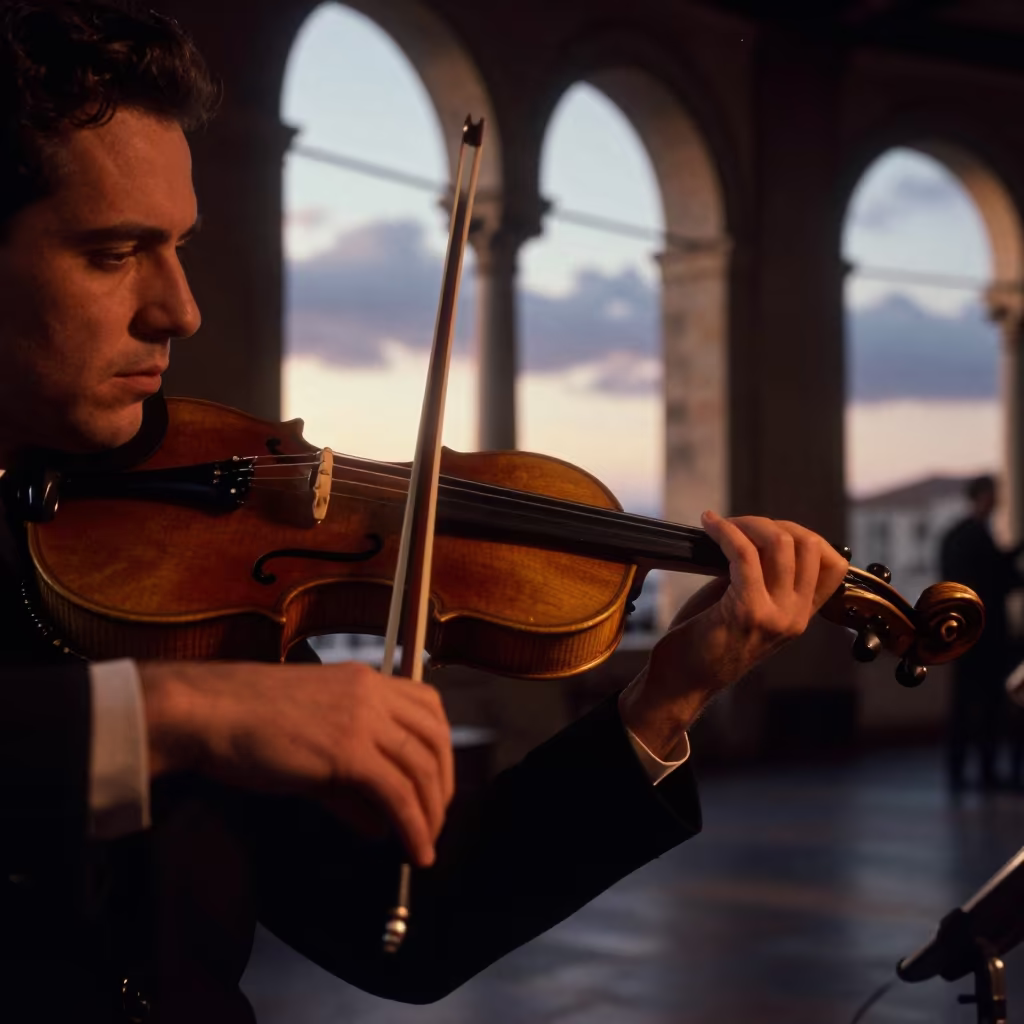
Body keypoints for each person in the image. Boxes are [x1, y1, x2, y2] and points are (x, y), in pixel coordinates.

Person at [0, 2, 849, 1021]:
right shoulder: (199, 678)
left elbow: (403, 925)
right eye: (113, 252)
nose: (180, 308)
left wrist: (667, 695)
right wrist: (175, 714)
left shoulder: (183, 560)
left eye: (179, 245)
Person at [940, 475, 1024, 790]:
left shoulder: (959, 535)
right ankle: (982, 772)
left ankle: (961, 771)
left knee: (967, 704)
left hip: (966, 634)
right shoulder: (972, 536)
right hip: (983, 636)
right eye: (993, 493)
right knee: (983, 704)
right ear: (983, 496)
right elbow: (998, 576)